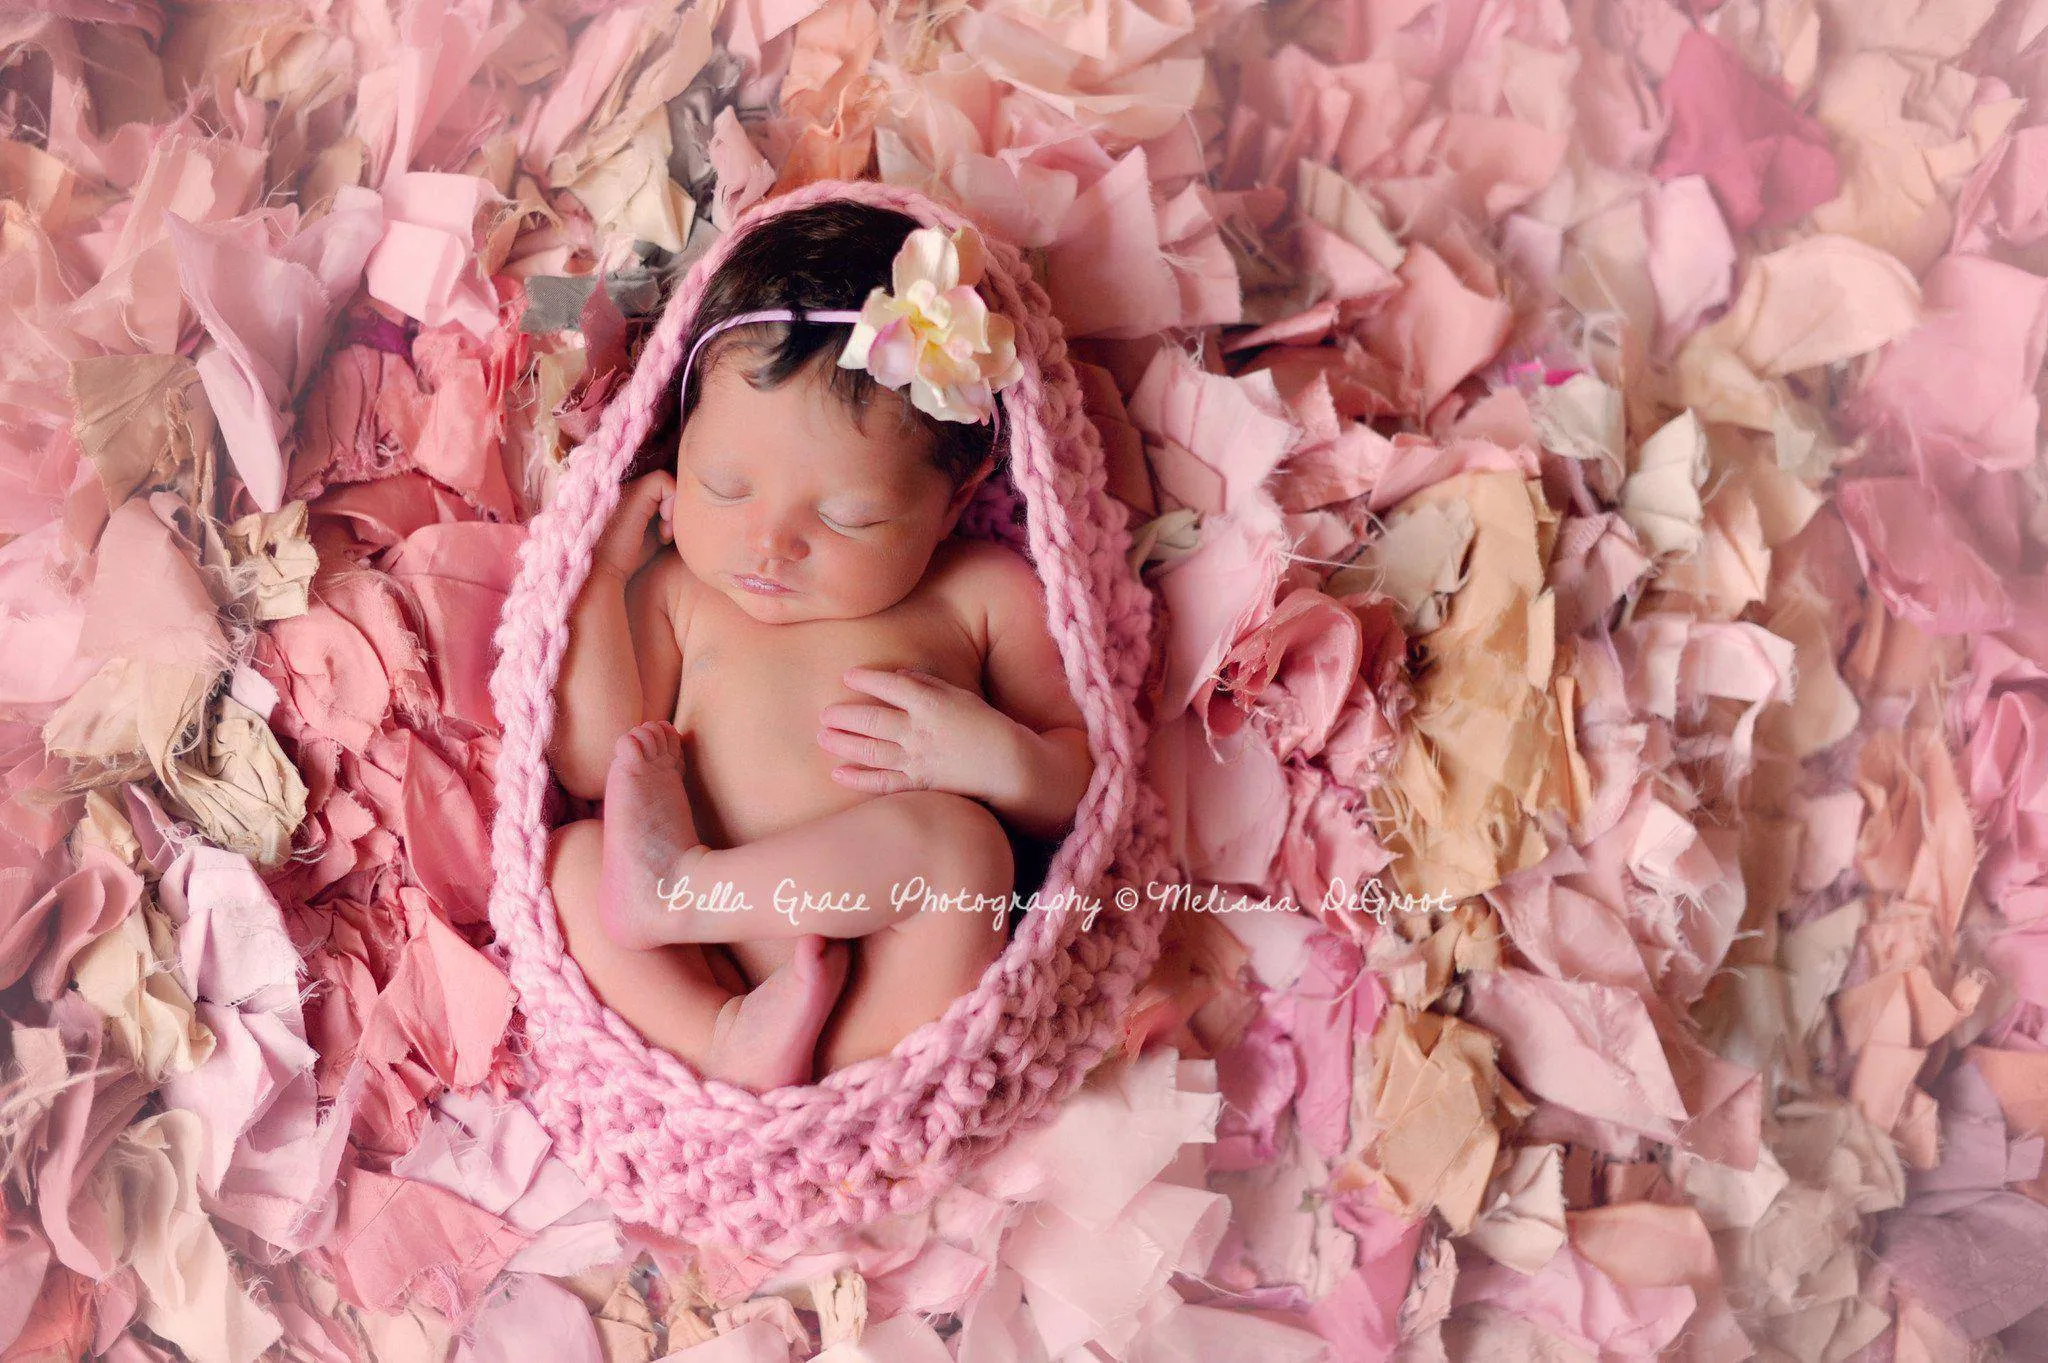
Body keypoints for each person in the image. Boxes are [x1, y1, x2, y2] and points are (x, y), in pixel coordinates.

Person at [542, 198, 1095, 1093]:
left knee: (962, 853)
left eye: (848, 516)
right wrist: (603, 575)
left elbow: (1078, 785)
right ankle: (718, 1034)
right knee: (568, 864)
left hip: (885, 1003)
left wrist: (998, 759)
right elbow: (591, 763)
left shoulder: (980, 593)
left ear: (953, 503)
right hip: (709, 972)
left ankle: (680, 892)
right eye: (724, 487)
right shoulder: (685, 589)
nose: (770, 544)